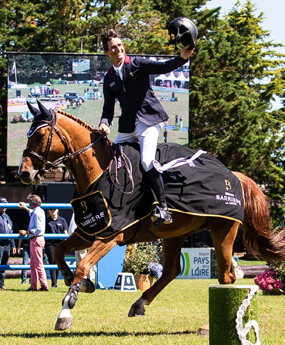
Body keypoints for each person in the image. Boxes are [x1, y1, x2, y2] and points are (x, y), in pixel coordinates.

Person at [98, 28, 194, 226]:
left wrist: (182, 58)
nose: (118, 49)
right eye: (113, 48)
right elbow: (108, 108)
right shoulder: (108, 79)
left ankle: (164, 207)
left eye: (119, 45)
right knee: (108, 160)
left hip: (148, 122)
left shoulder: (137, 63)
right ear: (107, 53)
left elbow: (163, 67)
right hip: (126, 128)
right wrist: (104, 124)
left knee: (147, 161)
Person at [19, 194, 49, 291]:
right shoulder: (37, 211)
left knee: (38, 264)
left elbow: (39, 229)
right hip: (35, 239)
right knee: (33, 264)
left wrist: (26, 232)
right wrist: (26, 209)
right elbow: (31, 212)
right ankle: (33, 285)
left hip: (36, 238)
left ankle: (44, 285)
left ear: (32, 202)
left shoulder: (37, 213)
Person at [44, 209, 69, 288]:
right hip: (50, 243)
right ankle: (54, 283)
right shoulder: (47, 221)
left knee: (58, 261)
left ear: (57, 210)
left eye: (54, 210)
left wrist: (66, 242)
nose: (52, 211)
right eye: (51, 210)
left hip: (59, 243)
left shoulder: (62, 220)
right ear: (48, 211)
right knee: (52, 261)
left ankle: (57, 281)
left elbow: (65, 232)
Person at [68, 213, 96, 282]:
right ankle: (89, 280)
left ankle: (82, 281)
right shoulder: (92, 210)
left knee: (81, 261)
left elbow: (72, 229)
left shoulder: (77, 211)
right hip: (91, 238)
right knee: (89, 260)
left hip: (80, 239)